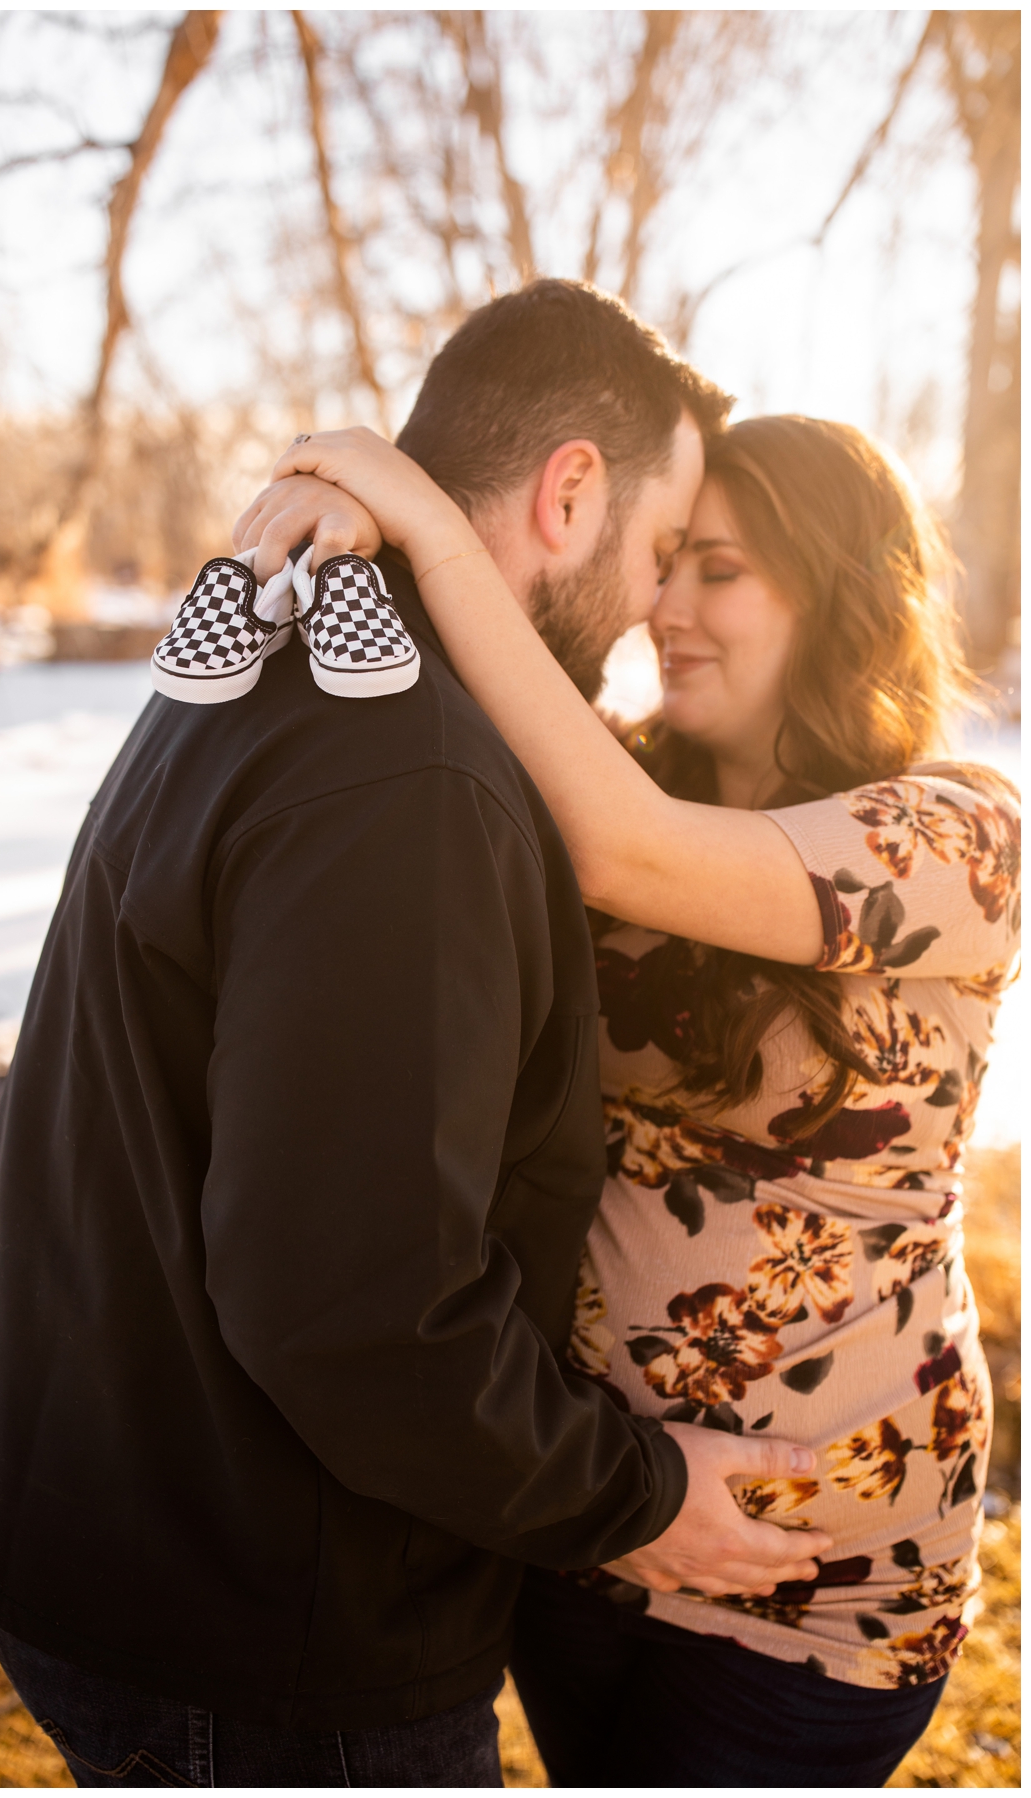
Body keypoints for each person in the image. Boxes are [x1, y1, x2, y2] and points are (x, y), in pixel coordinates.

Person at [0, 278, 834, 1787]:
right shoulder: (413, 775)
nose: (662, 609)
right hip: (262, 1625)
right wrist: (640, 1496)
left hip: (118, 1519)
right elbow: (357, 1303)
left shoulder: (277, 660)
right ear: (570, 492)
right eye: (662, 550)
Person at [243, 410, 1017, 1784]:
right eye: (666, 561)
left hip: (823, 1587)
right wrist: (360, 536)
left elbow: (624, 851)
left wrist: (419, 515)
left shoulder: (957, 834)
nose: (664, 606)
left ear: (840, 589)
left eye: (718, 568)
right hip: (596, 1523)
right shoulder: (610, 771)